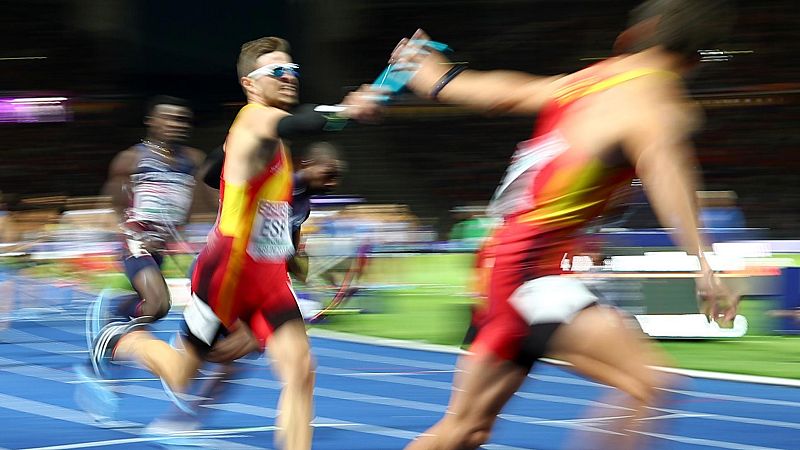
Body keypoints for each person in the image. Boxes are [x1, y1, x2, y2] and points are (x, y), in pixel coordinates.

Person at [391, 1, 738, 449]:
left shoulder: (593, 78)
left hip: (503, 263)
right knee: (650, 384)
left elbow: (508, 93)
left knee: (466, 430)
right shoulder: (658, 103)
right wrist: (704, 264)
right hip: (532, 272)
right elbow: (669, 177)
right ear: (697, 57)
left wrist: (440, 79)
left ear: (643, 31)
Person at [88, 37, 380, 450]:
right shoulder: (254, 119)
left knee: (301, 371)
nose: (289, 77)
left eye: (293, 69)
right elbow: (302, 122)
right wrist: (346, 110)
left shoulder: (268, 139)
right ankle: (122, 340)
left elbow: (210, 171)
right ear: (250, 84)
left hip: (268, 276)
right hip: (226, 273)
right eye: (277, 71)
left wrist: (233, 176)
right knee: (180, 374)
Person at [86, 95, 207, 354]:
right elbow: (115, 207)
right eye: (170, 118)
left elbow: (199, 201)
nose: (177, 124)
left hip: (163, 244)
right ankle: (112, 330)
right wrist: (135, 236)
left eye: (182, 119)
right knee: (157, 304)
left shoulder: (194, 160)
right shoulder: (129, 160)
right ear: (151, 121)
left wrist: (179, 232)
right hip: (135, 242)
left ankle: (117, 312)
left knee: (155, 307)